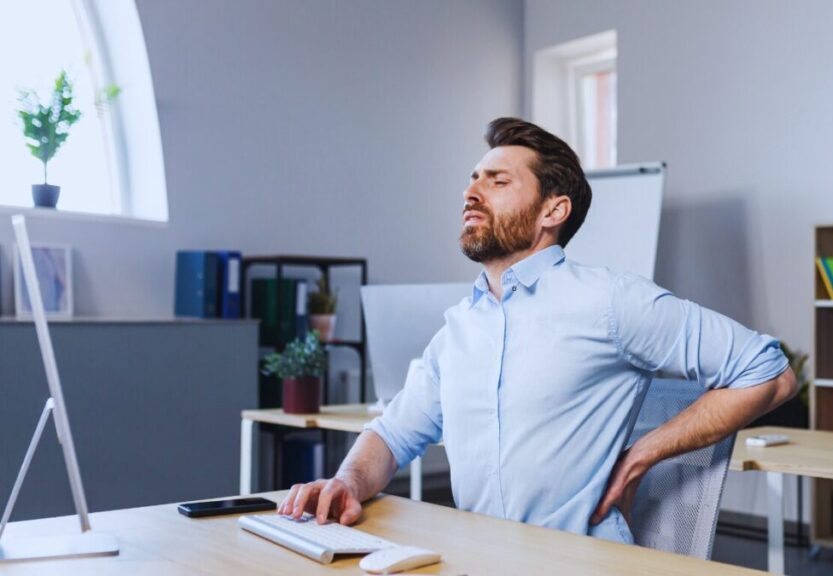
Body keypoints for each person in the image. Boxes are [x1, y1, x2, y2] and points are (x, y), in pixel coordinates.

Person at [278, 117, 798, 544]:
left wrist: (644, 451)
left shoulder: (611, 300)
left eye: (497, 181)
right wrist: (347, 481)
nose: (471, 192)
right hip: (482, 558)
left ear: (554, 209)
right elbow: (392, 434)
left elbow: (770, 372)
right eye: (473, 179)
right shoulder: (459, 328)